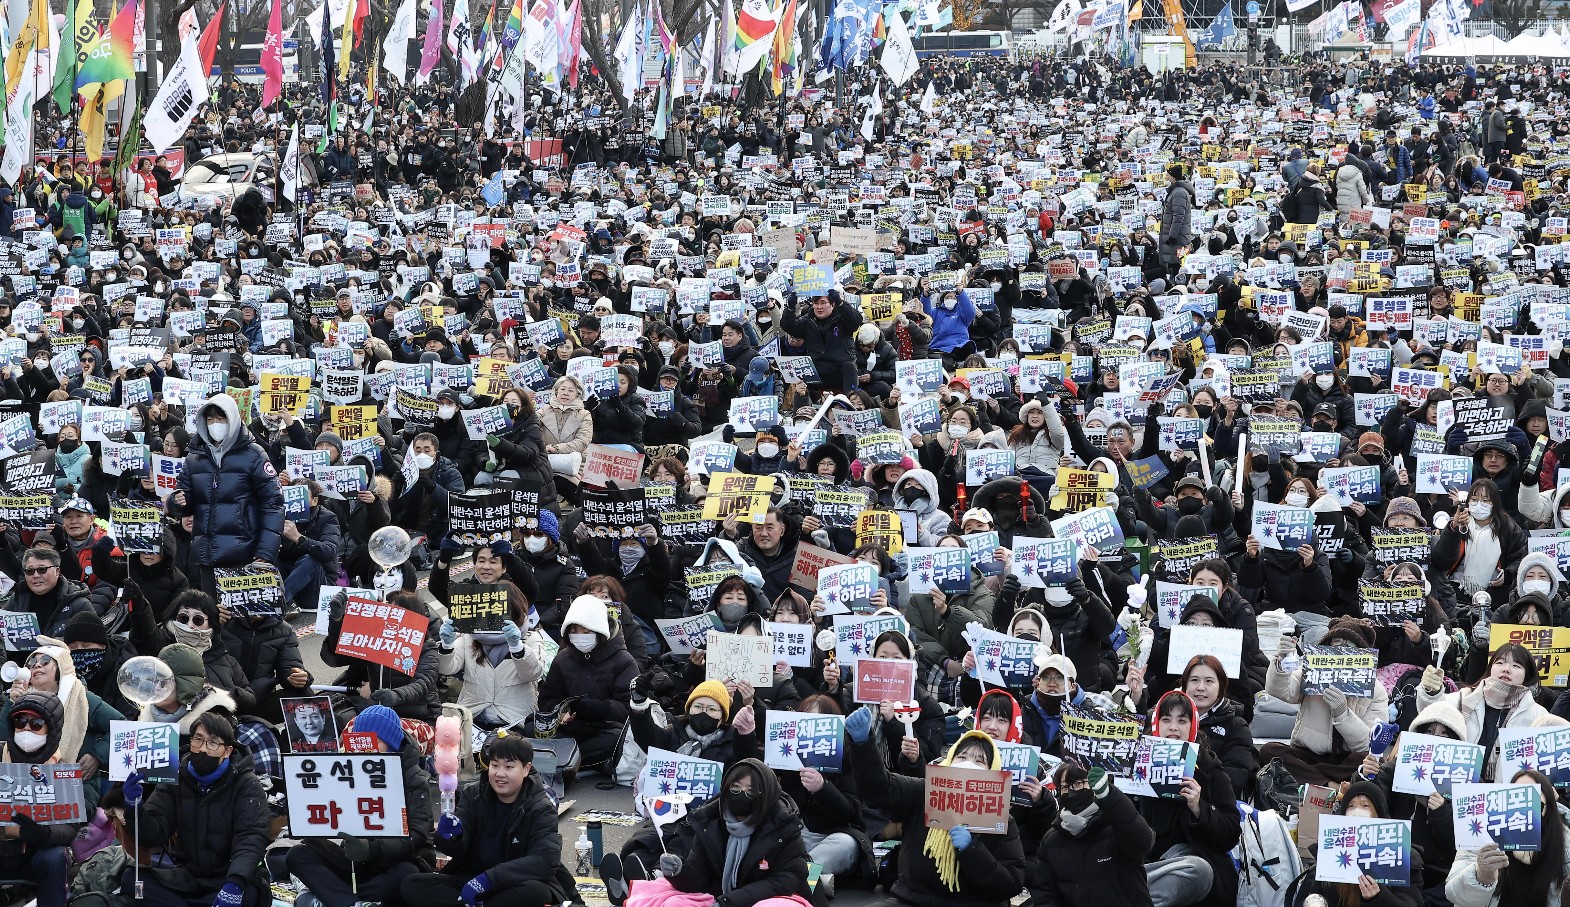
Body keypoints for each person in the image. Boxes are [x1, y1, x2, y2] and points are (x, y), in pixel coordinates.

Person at [845, 711, 1027, 907]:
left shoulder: (1000, 820)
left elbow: (1010, 883)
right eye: (962, 756)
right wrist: (862, 744)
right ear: (949, 760)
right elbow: (880, 789)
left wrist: (972, 850)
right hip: (913, 900)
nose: (968, 765)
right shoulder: (923, 792)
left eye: (980, 761)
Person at [399, 734, 574, 907]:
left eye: (509, 767)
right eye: (494, 765)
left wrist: (488, 880)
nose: (500, 773)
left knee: (536, 892)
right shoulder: (473, 795)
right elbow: (456, 850)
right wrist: (449, 836)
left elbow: (545, 859)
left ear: (526, 769)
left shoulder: (540, 806)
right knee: (411, 884)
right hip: (471, 877)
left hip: (512, 882)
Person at [119, 711, 273, 907]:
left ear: (227, 750)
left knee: (251, 895)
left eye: (213, 743)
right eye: (198, 740)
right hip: (188, 876)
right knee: (131, 879)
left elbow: (251, 838)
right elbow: (153, 834)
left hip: (227, 878)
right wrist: (134, 806)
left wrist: (235, 883)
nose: (203, 749)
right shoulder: (175, 778)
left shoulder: (246, 783)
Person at [286, 705, 435, 907]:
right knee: (298, 855)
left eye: (375, 741)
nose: (367, 748)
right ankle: (353, 903)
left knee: (407, 876)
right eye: (360, 741)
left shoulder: (414, 779)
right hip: (356, 862)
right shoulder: (347, 770)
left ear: (391, 743)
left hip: (398, 861)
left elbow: (416, 836)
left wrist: (371, 849)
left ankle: (336, 898)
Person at [656, 759, 812, 906]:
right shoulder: (709, 822)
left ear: (766, 795)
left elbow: (784, 882)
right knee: (672, 902)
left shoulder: (783, 825)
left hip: (770, 897)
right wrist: (679, 871)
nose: (742, 794)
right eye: (735, 787)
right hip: (721, 895)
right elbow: (700, 877)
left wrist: (730, 902)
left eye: (751, 790)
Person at [174, 394, 285, 598]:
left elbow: (273, 504)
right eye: (210, 419)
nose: (215, 424)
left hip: (243, 554)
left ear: (232, 418)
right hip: (207, 555)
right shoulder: (194, 458)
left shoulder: (254, 454)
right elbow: (184, 499)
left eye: (220, 418)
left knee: (239, 622)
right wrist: (176, 502)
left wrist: (265, 552)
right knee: (213, 620)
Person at [0, 692, 88, 907]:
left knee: (55, 857)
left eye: (36, 724)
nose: (27, 729)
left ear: (51, 728)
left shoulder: (62, 769)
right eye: (20, 722)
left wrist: (43, 833)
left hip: (34, 853)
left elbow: (70, 827)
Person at [536, 594, 639, 774]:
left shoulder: (623, 661)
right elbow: (547, 698)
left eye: (586, 631)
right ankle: (567, 763)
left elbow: (629, 709)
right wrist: (560, 712)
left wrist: (597, 708)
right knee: (531, 729)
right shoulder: (563, 658)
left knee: (616, 740)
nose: (579, 636)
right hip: (569, 729)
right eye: (574, 631)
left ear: (599, 630)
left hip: (604, 729)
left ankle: (558, 763)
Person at [1415, 642, 1546, 781]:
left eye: (1516, 666)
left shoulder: (1538, 715)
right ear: (1490, 668)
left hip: (1507, 797)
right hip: (1457, 789)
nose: (1506, 669)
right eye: (1500, 662)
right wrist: (1430, 691)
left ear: (1527, 674)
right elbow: (1432, 713)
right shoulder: (1463, 698)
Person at [1447, 769, 1570, 907]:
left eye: (1535, 804)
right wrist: (1481, 876)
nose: (1526, 811)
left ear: (1548, 808)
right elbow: (1454, 893)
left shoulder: (1564, 842)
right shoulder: (1482, 835)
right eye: (1518, 799)